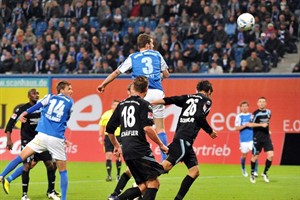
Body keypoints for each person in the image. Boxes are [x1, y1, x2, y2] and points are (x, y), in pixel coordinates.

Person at [97, 33, 170, 161]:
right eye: (152, 44)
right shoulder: (157, 54)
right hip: (157, 93)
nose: (152, 46)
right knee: (160, 128)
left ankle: (140, 156)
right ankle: (165, 159)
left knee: (136, 127)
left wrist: (104, 84)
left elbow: (116, 72)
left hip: (140, 95)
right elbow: (166, 74)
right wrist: (159, 76)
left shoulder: (133, 57)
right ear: (148, 44)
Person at [0, 80, 74, 200]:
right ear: (62, 90)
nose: (71, 91)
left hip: (41, 136)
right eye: (69, 89)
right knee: (62, 170)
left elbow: (37, 106)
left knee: (22, 158)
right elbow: (66, 118)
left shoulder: (49, 97)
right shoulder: (70, 103)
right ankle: (62, 198)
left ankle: (2, 175)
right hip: (55, 138)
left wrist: (25, 112)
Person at [151, 80, 218, 200]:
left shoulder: (188, 97)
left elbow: (169, 100)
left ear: (197, 90)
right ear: (208, 91)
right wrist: (210, 131)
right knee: (165, 167)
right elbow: (199, 116)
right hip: (184, 139)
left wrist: (150, 103)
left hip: (184, 139)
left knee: (194, 171)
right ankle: (140, 184)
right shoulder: (207, 100)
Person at [106, 76, 168, 200]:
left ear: (133, 87)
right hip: (140, 149)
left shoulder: (121, 104)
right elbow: (147, 128)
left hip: (127, 150)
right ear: (146, 90)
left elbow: (109, 130)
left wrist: (117, 146)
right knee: (154, 183)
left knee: (142, 186)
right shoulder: (144, 104)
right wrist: (161, 145)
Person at [234, 101, 264, 177]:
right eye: (243, 106)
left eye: (246, 106)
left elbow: (256, 125)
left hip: (252, 139)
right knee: (244, 155)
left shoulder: (252, 116)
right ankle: (243, 169)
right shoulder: (239, 116)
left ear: (248, 107)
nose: (244, 108)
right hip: (243, 139)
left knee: (255, 154)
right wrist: (246, 125)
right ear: (240, 108)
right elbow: (236, 128)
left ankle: (255, 171)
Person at [250, 97, 273, 183]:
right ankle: (252, 173)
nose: (262, 103)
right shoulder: (255, 113)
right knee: (254, 157)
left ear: (266, 103)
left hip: (266, 137)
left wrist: (268, 130)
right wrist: (261, 125)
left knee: (271, 155)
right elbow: (250, 124)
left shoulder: (269, 112)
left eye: (263, 102)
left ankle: (265, 173)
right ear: (257, 103)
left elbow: (267, 122)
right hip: (257, 138)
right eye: (260, 102)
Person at [99, 100, 122, 182]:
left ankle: (118, 175)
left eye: (117, 105)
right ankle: (109, 175)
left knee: (118, 156)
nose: (115, 106)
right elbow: (102, 126)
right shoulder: (106, 114)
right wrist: (100, 136)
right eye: (114, 105)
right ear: (111, 106)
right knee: (108, 155)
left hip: (119, 136)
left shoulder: (121, 114)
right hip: (108, 136)